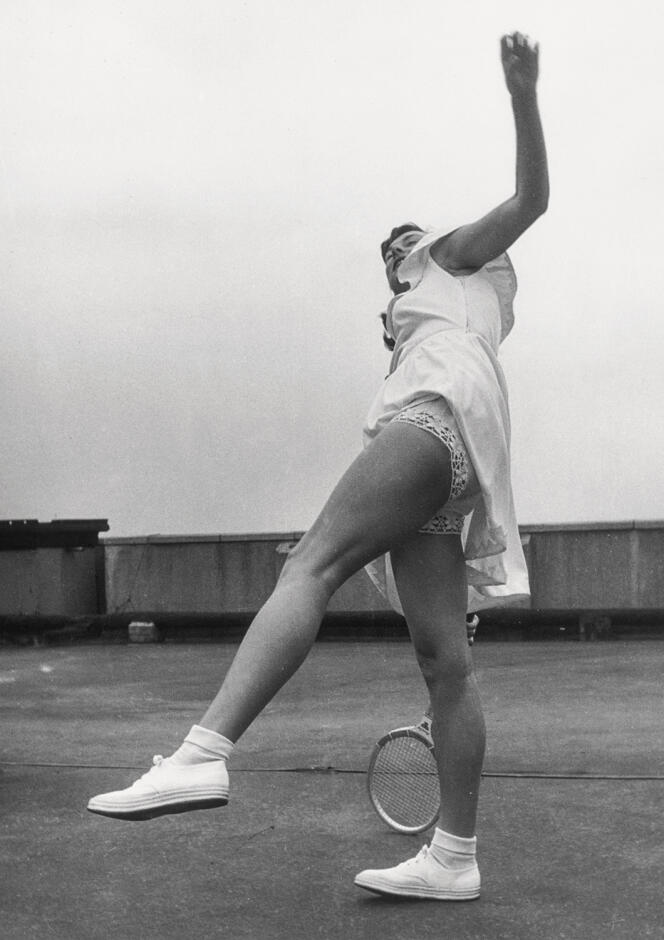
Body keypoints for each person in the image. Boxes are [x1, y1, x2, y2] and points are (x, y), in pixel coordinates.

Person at [88, 32, 548, 902]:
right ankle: (454, 856)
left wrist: (521, 91)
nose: (394, 250)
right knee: (444, 661)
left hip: (436, 425)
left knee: (312, 563)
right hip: (460, 464)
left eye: (402, 240)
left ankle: (203, 753)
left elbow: (532, 197)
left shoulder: (450, 261)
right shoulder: (446, 315)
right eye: (388, 253)